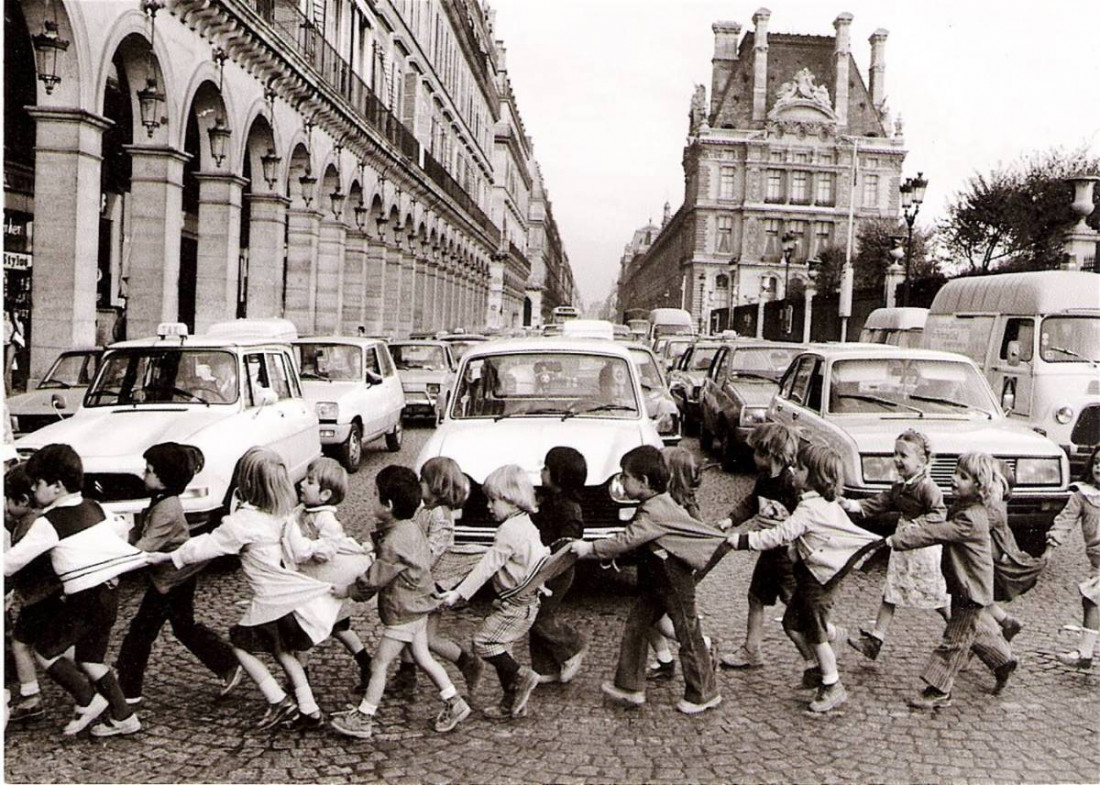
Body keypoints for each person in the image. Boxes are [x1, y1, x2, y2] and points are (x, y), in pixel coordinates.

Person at [147, 448, 343, 730]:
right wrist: (326, 547)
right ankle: (309, 709)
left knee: (240, 648)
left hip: (269, 598)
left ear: (246, 484)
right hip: (287, 595)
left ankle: (279, 701)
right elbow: (301, 551)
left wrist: (167, 557)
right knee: (283, 652)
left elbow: (205, 547)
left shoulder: (242, 523)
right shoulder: (283, 516)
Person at [3, 444, 147, 737]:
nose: (33, 489)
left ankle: (88, 699)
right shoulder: (95, 507)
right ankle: (124, 716)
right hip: (108, 595)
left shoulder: (48, 522)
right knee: (90, 660)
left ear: (56, 486)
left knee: (45, 651)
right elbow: (119, 531)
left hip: (85, 599)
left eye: (37, 483)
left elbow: (11, 561)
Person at [727, 442, 879, 713]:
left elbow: (781, 534)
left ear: (814, 476)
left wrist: (742, 541)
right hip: (812, 574)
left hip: (821, 578)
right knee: (791, 623)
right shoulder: (817, 503)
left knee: (813, 630)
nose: (793, 471)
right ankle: (820, 661)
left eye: (800, 468)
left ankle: (832, 684)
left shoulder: (811, 508)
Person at [572, 446, 724, 716]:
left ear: (643, 482)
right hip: (659, 580)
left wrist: (591, 549)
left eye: (625, 477)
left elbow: (627, 539)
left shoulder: (656, 510)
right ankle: (629, 686)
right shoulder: (656, 504)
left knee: (688, 633)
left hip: (673, 580)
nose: (621, 482)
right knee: (636, 625)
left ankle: (704, 692)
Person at [330, 466, 471, 739]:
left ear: (389, 505)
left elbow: (374, 579)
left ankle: (365, 716)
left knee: (379, 664)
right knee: (423, 658)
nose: (371, 498)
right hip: (419, 608)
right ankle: (454, 701)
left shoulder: (395, 542)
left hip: (404, 612)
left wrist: (347, 590)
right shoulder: (410, 527)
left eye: (374, 495)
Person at [886, 452, 1018, 709]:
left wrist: (899, 539)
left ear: (979, 486)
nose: (954, 479)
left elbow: (938, 532)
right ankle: (1003, 662)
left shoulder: (971, 517)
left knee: (955, 641)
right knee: (971, 633)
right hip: (964, 586)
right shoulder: (964, 507)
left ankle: (939, 690)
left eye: (963, 477)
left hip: (971, 591)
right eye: (956, 473)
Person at [115, 443, 241, 705]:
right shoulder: (162, 501)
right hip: (175, 576)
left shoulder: (167, 509)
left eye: (148, 470)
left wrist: (114, 564)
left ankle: (127, 691)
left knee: (141, 632)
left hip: (170, 580)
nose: (143, 474)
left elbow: (143, 548)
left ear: (164, 479)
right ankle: (228, 663)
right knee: (183, 627)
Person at [439, 465, 549, 720]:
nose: (488, 505)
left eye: (493, 500)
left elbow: (487, 567)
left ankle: (522, 676)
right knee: (503, 649)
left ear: (511, 501)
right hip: (525, 602)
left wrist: (459, 593)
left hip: (515, 605)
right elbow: (539, 558)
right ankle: (512, 702)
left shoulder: (509, 531)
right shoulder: (526, 525)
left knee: (484, 642)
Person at [840, 430, 950, 661]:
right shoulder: (900, 486)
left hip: (923, 547)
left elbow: (939, 513)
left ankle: (965, 636)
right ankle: (875, 640)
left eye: (904, 455)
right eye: (895, 454)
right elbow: (880, 502)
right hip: (904, 545)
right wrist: (850, 504)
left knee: (935, 596)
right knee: (891, 591)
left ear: (922, 462)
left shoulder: (928, 488)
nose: (897, 460)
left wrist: (917, 525)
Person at [719, 423, 807, 671]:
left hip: (787, 558)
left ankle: (819, 651)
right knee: (756, 597)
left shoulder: (791, 483)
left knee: (796, 607)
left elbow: (803, 517)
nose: (753, 457)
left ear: (770, 454)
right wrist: (731, 519)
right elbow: (751, 503)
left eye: (757, 452)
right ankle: (752, 649)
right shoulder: (764, 479)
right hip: (768, 554)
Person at [287, 457, 374, 695]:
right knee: (333, 628)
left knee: (320, 628)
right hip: (311, 583)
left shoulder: (326, 519)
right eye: (305, 479)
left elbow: (328, 549)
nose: (302, 484)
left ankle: (302, 678)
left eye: (310, 481)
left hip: (325, 584)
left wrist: (309, 548)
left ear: (325, 494)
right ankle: (365, 663)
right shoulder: (302, 511)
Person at [645, 447, 718, 681]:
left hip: (673, 576)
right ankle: (665, 660)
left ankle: (703, 646)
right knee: (647, 618)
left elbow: (701, 540)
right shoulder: (664, 503)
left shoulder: (684, 508)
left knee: (667, 622)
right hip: (656, 573)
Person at [4, 464, 65, 723]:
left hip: (37, 597)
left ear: (23, 500)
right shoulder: (39, 519)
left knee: (21, 645)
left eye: (7, 499)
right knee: (59, 643)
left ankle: (31, 698)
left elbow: (16, 565)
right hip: (49, 594)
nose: (5, 506)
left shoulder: (27, 526)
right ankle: (98, 676)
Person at [529, 447, 588, 684]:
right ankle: (545, 668)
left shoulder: (568, 508)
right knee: (536, 613)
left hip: (557, 569)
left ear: (558, 475)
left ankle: (573, 644)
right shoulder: (552, 500)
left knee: (540, 616)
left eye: (546, 468)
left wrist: (551, 567)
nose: (541, 472)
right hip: (543, 566)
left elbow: (567, 545)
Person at [1045, 444, 1100, 670]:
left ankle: (1085, 653)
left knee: (1093, 600)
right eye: (1097, 463)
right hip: (1097, 562)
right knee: (1091, 601)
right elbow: (1065, 520)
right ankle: (1085, 654)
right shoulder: (1083, 495)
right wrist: (1051, 546)